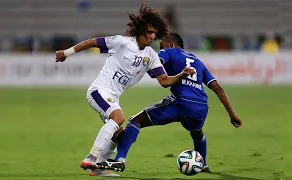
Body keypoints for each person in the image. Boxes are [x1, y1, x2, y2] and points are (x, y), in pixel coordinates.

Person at [55, 5, 195, 177]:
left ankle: (99, 169)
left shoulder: (151, 56)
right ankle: (92, 157)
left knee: (120, 135)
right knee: (119, 117)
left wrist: (181, 75)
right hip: (98, 91)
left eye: (154, 33)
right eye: (149, 31)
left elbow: (164, 81)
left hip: (113, 97)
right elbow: (93, 42)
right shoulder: (121, 42)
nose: (152, 36)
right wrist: (67, 53)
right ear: (141, 29)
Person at [97, 33, 243, 173]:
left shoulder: (170, 51)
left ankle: (120, 159)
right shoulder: (197, 61)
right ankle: (202, 164)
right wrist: (232, 114)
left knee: (136, 121)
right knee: (197, 132)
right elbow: (217, 87)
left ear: (171, 44)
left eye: (162, 46)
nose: (161, 50)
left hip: (181, 103)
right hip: (201, 107)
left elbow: (155, 63)